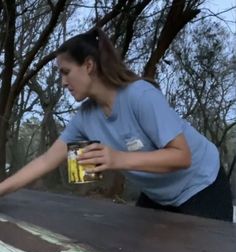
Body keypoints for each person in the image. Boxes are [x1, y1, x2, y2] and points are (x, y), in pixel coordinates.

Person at [0, 27, 233, 222]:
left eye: (66, 72)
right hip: (159, 194)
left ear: (89, 65)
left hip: (203, 184)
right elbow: (46, 161)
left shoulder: (140, 95)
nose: (62, 82)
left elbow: (182, 157)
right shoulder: (85, 117)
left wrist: (116, 158)